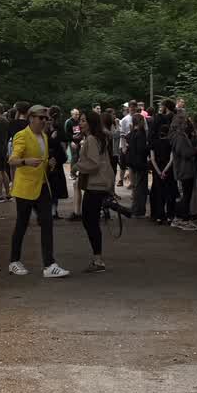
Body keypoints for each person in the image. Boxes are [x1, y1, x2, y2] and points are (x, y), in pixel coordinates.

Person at [7, 105, 70, 278]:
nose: (44, 121)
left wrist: (49, 163)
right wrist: (25, 161)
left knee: (47, 223)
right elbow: (12, 160)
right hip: (25, 188)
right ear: (31, 118)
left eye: (46, 118)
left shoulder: (44, 136)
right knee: (22, 224)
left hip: (42, 186)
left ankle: (49, 265)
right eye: (41, 118)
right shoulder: (22, 135)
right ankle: (14, 261)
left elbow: (43, 160)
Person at [73, 108, 113, 272]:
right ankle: (97, 258)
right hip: (100, 184)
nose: (80, 123)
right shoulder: (98, 138)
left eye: (83, 120)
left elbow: (94, 163)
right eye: (80, 120)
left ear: (91, 123)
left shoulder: (91, 139)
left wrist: (77, 166)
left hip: (95, 185)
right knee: (91, 222)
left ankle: (98, 260)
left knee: (90, 222)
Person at [169, 113, 197, 225]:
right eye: (185, 122)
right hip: (184, 169)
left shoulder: (178, 136)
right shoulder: (179, 137)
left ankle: (181, 217)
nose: (187, 124)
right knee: (186, 195)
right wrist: (195, 150)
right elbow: (185, 153)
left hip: (183, 168)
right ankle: (183, 218)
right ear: (180, 124)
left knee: (186, 194)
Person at [147, 109, 174, 225]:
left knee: (158, 193)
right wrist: (165, 171)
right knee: (169, 193)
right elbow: (172, 159)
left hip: (157, 170)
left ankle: (159, 216)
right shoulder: (171, 143)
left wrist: (158, 172)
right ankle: (170, 216)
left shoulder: (154, 143)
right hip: (168, 170)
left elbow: (152, 159)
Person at [123, 109, 149, 218]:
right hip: (140, 163)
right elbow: (142, 149)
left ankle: (135, 208)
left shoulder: (132, 133)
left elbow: (127, 139)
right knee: (141, 187)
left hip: (132, 162)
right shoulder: (141, 134)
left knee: (136, 186)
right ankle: (139, 210)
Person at [47, 106, 71, 218]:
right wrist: (63, 155)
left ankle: (50, 210)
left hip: (49, 158)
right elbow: (64, 143)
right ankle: (54, 210)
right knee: (55, 186)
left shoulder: (46, 126)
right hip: (57, 159)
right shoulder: (59, 127)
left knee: (49, 185)